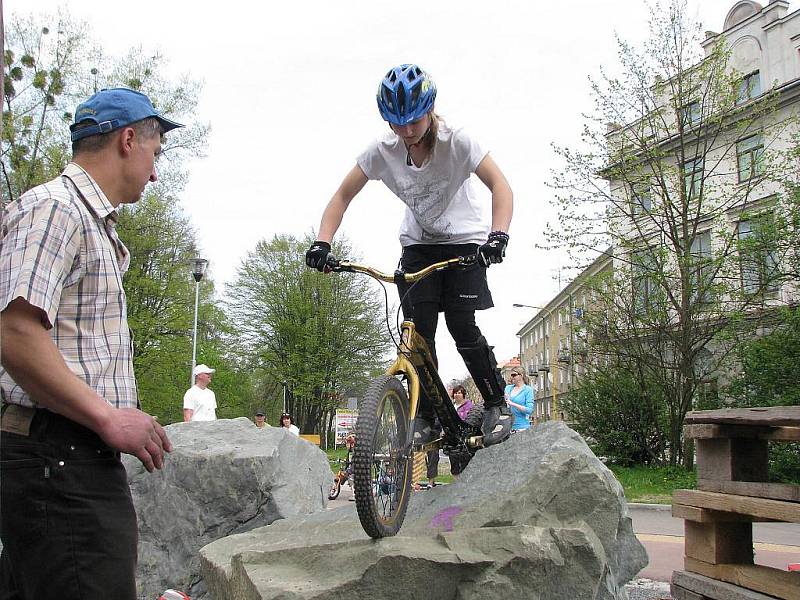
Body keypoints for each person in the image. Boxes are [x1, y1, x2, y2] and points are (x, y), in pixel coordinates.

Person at [0, 87, 179, 599]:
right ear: (128, 140)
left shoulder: (86, 220)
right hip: (58, 464)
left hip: (62, 463)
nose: (155, 171)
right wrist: (107, 416)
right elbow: (13, 331)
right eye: (155, 153)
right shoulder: (56, 210)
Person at [306, 63, 514, 447]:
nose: (405, 132)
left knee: (461, 324)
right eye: (396, 124)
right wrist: (323, 242)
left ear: (430, 110)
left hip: (465, 241)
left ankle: (497, 402)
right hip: (417, 245)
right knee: (418, 332)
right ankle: (428, 415)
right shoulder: (381, 151)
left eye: (413, 122)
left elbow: (500, 185)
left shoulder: (458, 142)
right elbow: (342, 196)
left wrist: (497, 236)